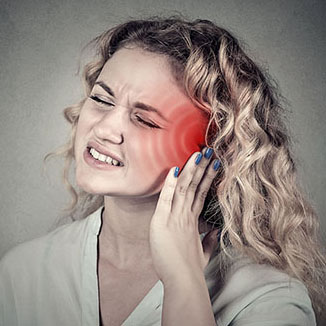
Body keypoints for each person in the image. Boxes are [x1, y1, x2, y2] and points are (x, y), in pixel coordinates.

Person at [0, 16, 325, 326]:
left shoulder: (266, 298)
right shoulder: (22, 273)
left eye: (145, 119)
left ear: (214, 147)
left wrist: (183, 282)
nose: (104, 129)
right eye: (101, 99)